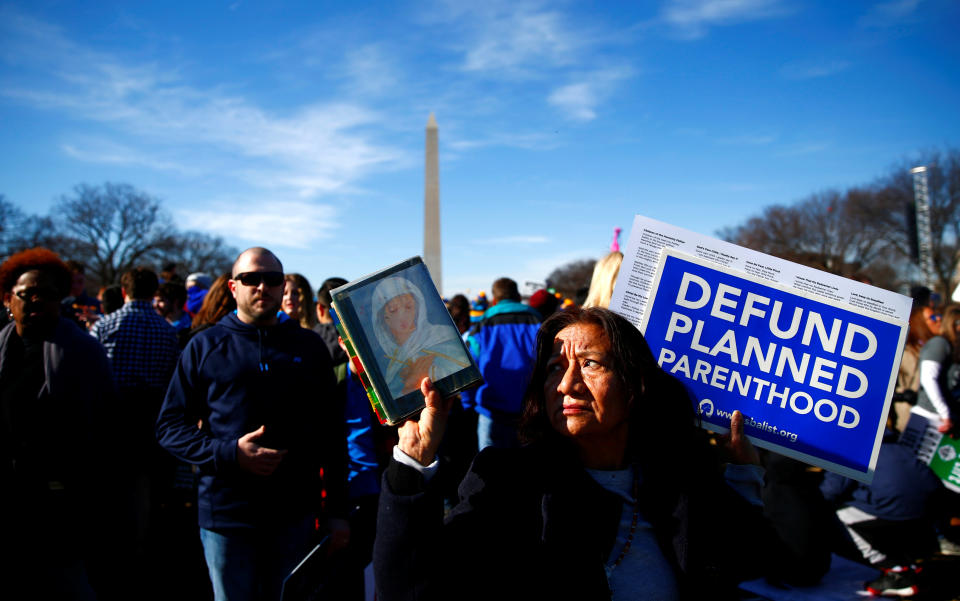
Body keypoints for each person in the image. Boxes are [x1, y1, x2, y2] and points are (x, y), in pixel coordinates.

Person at [374, 307, 808, 600]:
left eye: (592, 364)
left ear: (635, 385)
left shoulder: (683, 475)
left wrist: (745, 474)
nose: (566, 385)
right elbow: (409, 588)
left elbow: (759, 562)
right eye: (554, 369)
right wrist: (412, 462)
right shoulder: (507, 480)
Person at [156, 247, 350, 601]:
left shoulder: (309, 347)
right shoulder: (204, 345)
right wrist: (229, 453)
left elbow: (332, 434)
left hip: (295, 513)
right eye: (251, 279)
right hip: (226, 517)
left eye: (273, 279)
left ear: (283, 286)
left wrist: (337, 511)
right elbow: (169, 426)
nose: (263, 286)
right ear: (233, 287)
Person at [0, 248, 116, 599]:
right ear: (9, 299)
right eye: (27, 294)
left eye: (48, 294)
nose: (36, 300)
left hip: (60, 499)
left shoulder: (83, 351)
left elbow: (106, 422)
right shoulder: (2, 348)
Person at [461, 277, 542, 450]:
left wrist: (467, 404)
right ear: (518, 296)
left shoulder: (482, 325)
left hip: (491, 413)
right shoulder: (538, 322)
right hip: (530, 413)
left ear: (495, 300)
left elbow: (469, 368)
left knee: (489, 473)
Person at [371, 275, 470, 398]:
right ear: (384, 318)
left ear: (418, 308)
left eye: (408, 307)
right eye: (393, 310)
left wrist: (428, 374)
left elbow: (463, 378)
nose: (403, 315)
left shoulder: (443, 336)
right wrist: (410, 384)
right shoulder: (394, 361)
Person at [913, 304, 960, 433]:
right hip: (929, 418)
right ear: (954, 324)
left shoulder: (953, 347)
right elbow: (928, 379)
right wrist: (945, 414)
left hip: (944, 419)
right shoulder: (939, 343)